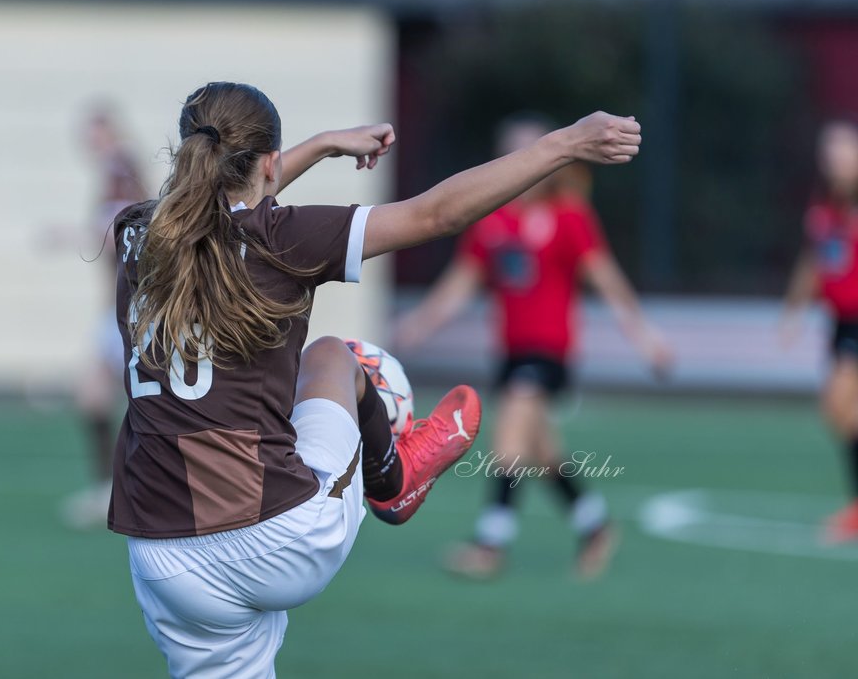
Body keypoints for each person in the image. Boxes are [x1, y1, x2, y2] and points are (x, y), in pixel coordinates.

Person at [109, 84, 641, 677]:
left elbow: (216, 214)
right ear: (268, 164)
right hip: (271, 536)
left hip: (160, 554)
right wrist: (562, 144)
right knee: (335, 356)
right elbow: (436, 213)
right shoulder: (282, 238)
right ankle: (392, 480)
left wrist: (320, 147)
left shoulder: (138, 234)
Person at [394, 113, 671, 580]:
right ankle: (596, 525)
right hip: (511, 353)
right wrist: (418, 324)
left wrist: (646, 337)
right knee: (541, 453)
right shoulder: (491, 222)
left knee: (509, 439)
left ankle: (489, 544)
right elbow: (460, 285)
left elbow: (606, 280)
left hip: (550, 355)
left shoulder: (569, 217)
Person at [62, 103, 150, 529]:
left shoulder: (121, 167)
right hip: (118, 304)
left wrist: (73, 236)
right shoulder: (115, 169)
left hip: (132, 306)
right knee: (94, 395)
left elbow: (126, 231)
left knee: (127, 398)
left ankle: (128, 489)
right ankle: (109, 490)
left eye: (93, 134)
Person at [781, 119, 858, 542]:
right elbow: (813, 262)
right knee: (843, 413)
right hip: (840, 322)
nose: (836, 159)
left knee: (837, 403)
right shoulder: (825, 206)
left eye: (845, 150)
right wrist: (792, 312)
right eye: (830, 152)